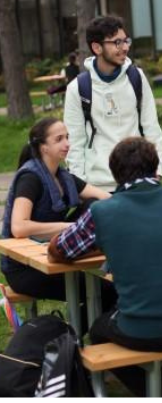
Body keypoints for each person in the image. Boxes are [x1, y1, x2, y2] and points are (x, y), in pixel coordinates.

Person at [48, 136, 162, 397]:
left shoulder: (103, 212)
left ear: (115, 174)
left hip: (141, 327)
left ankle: (160, 390)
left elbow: (59, 250)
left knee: (98, 332)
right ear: (155, 168)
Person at [1, 117, 116, 311]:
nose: (67, 144)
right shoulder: (30, 178)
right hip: (24, 269)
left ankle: (76, 331)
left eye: (67, 137)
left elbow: (106, 199)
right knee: (108, 292)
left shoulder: (63, 177)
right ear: (44, 147)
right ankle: (74, 335)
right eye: (59, 139)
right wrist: (71, 227)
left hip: (49, 253)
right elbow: (19, 227)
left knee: (93, 204)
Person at [64, 15, 162, 192]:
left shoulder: (137, 78)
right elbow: (75, 142)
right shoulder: (78, 88)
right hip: (98, 185)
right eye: (117, 43)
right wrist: (80, 187)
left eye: (126, 41)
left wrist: (156, 171)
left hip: (140, 180)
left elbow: (151, 129)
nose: (125, 47)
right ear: (97, 47)